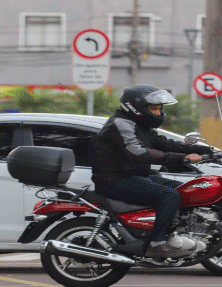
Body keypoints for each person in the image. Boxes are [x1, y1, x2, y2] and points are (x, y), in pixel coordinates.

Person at [91, 85, 214, 258]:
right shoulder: (120, 124)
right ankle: (157, 243)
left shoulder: (140, 125)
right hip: (114, 180)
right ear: (135, 107)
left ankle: (175, 233)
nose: (158, 113)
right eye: (153, 108)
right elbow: (138, 152)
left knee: (187, 189)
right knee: (170, 195)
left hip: (135, 176)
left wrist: (208, 151)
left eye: (159, 108)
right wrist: (182, 158)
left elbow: (167, 143)